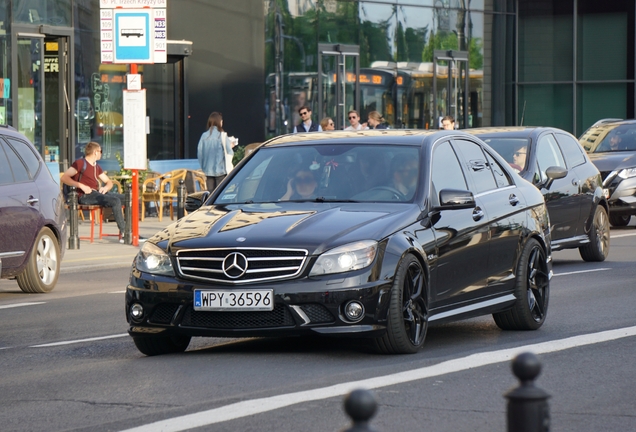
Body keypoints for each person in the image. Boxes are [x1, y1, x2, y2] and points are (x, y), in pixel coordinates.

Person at [60, 141, 126, 243]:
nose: (101, 153)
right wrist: (80, 185)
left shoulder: (97, 167)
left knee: (128, 198)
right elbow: (64, 178)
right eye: (101, 151)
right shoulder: (80, 163)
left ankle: (131, 231)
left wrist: (105, 188)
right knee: (115, 201)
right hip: (84, 196)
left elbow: (108, 182)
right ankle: (124, 232)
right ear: (95, 152)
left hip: (96, 193)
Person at [197, 112, 236, 192]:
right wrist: (231, 146)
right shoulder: (222, 135)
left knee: (211, 196)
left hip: (208, 171)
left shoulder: (204, 136)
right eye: (221, 120)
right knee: (220, 195)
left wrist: (204, 167)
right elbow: (230, 152)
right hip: (221, 171)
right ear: (219, 122)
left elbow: (199, 153)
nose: (222, 122)